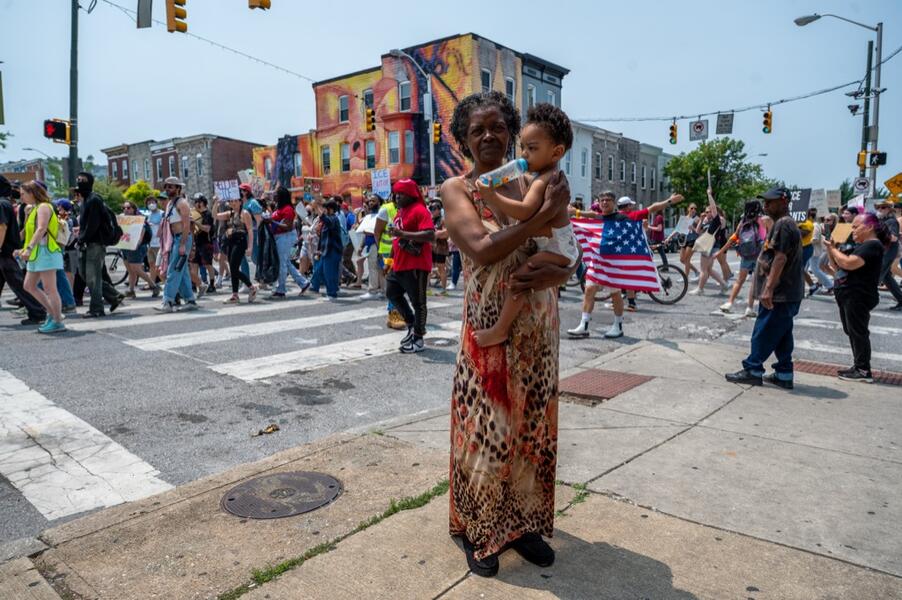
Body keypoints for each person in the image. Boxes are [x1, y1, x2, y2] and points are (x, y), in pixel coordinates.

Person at [442, 90, 574, 577]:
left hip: (538, 324)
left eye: (497, 126)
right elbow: (482, 249)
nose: (488, 136)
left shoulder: (533, 180)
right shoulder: (457, 189)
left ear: (513, 132)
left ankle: (521, 525)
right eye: (477, 129)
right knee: (485, 429)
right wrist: (538, 218)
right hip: (488, 325)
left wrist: (557, 272)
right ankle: (478, 530)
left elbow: (564, 251)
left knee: (530, 429)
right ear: (463, 140)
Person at [473, 102, 579, 347]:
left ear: (556, 152)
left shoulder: (545, 180)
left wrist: (492, 197)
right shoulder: (542, 177)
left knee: (520, 279)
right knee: (524, 277)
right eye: (522, 147)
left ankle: (500, 329)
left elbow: (526, 211)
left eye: (532, 148)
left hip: (556, 248)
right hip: (559, 245)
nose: (523, 155)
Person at [567, 190, 682, 338]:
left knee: (615, 294)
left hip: (613, 266)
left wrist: (669, 201)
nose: (604, 202)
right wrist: (575, 212)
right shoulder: (599, 217)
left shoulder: (625, 218)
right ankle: (584, 325)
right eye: (601, 200)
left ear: (614, 203)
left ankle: (618, 325)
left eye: (608, 200)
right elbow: (590, 215)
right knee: (589, 290)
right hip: (597, 264)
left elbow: (651, 208)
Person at [726, 187, 804, 389]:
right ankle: (784, 373)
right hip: (786, 293)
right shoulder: (783, 224)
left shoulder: (784, 225)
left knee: (764, 331)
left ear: (784, 202)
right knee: (782, 334)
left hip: (780, 294)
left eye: (770, 202)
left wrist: (768, 288)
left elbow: (780, 258)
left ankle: (753, 369)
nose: (765, 205)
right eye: (765, 202)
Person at [824, 212, 889, 383]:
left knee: (858, 332)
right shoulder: (862, 245)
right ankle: (858, 365)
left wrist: (833, 250)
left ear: (869, 227)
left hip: (858, 294)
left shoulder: (872, 245)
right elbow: (836, 265)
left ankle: (863, 370)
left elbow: (848, 263)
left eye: (855, 226)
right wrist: (831, 248)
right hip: (849, 294)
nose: (852, 230)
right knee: (851, 331)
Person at [385, 179, 436, 353]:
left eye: (401, 193)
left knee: (419, 302)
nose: (397, 196)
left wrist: (402, 233)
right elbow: (396, 239)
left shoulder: (420, 210)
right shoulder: (400, 212)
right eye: (396, 193)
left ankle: (419, 338)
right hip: (399, 264)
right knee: (391, 293)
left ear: (410, 195)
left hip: (416, 264)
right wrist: (390, 261)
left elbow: (430, 235)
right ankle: (412, 325)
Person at [15, 181, 66, 333]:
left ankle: (57, 320)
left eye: (23, 194)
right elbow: (29, 232)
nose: (21, 197)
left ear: (32, 192)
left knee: (50, 289)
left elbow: (41, 229)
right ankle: (54, 314)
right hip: (39, 252)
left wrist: (28, 249)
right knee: (29, 286)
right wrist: (22, 249)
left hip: (46, 252)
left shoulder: (44, 206)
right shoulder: (35, 208)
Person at [0, 176, 48, 326]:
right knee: (17, 282)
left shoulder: (1, 204)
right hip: (6, 251)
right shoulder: (5, 203)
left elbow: (2, 227)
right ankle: (38, 311)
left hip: (5, 251)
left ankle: (38, 312)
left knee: (20, 284)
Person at [76, 171, 123, 318]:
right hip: (88, 243)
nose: (79, 182)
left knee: (93, 277)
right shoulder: (86, 201)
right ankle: (114, 295)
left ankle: (96, 308)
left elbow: (93, 225)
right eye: (78, 180)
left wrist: (82, 239)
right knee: (86, 275)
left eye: (83, 180)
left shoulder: (93, 200)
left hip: (95, 244)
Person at [715, 200, 771, 316]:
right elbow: (771, 237)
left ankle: (729, 303)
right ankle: (749, 308)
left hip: (746, 255)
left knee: (739, 280)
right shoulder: (765, 220)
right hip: (760, 255)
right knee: (754, 282)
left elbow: (733, 238)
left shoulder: (743, 221)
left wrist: (721, 251)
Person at [155, 176, 199, 313]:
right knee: (182, 271)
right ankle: (190, 300)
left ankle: (167, 301)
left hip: (182, 239)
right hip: (175, 239)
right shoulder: (170, 203)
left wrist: (183, 244)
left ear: (178, 189)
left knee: (173, 270)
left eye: (171, 186)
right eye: (166, 186)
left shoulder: (182, 203)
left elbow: (187, 225)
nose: (168, 189)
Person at [268, 186, 310, 298]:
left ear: (281, 196)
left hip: (285, 237)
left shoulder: (288, 209)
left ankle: (281, 290)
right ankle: (303, 283)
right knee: (286, 262)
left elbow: (287, 226)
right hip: (280, 237)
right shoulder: (279, 208)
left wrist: (272, 221)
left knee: (282, 263)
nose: (274, 195)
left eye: (276, 194)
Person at [215, 194, 257, 304]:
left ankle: (251, 287)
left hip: (240, 242)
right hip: (231, 242)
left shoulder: (245, 213)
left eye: (235, 201)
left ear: (240, 201)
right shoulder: (231, 213)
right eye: (231, 201)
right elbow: (215, 215)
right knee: (233, 268)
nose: (233, 203)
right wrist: (216, 203)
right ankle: (235, 295)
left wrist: (250, 247)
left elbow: (250, 231)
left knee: (233, 268)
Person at [373, 194, 406, 328]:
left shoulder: (408, 208)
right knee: (394, 282)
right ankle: (393, 313)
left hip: (404, 251)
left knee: (402, 283)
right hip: (388, 253)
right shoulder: (386, 209)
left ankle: (398, 311)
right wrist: (381, 252)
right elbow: (377, 232)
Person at [688, 189, 728, 295]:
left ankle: (700, 289)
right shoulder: (707, 221)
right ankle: (724, 284)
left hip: (710, 246)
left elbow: (714, 207)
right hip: (709, 246)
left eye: (709, 211)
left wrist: (709, 194)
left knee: (703, 269)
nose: (707, 213)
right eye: (706, 212)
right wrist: (701, 220)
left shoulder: (717, 220)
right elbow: (697, 232)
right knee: (709, 269)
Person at [120, 201, 158, 298]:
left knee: (137, 269)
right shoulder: (122, 219)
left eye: (128, 208)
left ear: (133, 209)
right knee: (130, 270)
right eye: (124, 208)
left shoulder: (139, 219)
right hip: (125, 247)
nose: (125, 210)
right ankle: (131, 290)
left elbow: (142, 232)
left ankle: (153, 286)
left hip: (136, 247)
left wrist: (138, 243)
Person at [308, 198, 343, 300]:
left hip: (332, 251)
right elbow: (324, 237)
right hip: (326, 251)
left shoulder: (333, 219)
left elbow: (326, 220)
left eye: (325, 208)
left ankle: (332, 293)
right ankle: (315, 286)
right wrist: (320, 250)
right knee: (320, 270)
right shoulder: (330, 219)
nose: (324, 210)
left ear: (330, 209)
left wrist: (316, 207)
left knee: (330, 273)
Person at [874, 200, 902, 311]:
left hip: (889, 251)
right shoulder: (883, 221)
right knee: (886, 278)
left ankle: (862, 298)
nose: (880, 209)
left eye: (883, 207)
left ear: (889, 209)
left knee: (876, 275)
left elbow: (894, 237)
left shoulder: (891, 221)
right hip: (885, 251)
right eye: (878, 207)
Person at [188, 193, 215, 298]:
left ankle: (212, 284)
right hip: (197, 243)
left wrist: (196, 223)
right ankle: (194, 284)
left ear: (201, 203)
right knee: (194, 264)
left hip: (206, 243)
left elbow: (207, 228)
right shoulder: (195, 213)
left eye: (196, 202)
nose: (194, 204)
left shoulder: (207, 214)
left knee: (208, 264)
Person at [358, 195, 384, 300]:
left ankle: (374, 291)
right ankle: (380, 290)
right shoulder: (369, 216)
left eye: (373, 201)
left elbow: (377, 232)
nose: (370, 203)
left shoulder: (380, 215)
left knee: (377, 268)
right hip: (370, 245)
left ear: (379, 203)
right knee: (374, 268)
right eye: (369, 201)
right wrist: (361, 246)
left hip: (376, 245)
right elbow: (365, 232)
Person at [145, 191, 166, 287]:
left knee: (160, 267)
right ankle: (152, 285)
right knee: (151, 265)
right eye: (149, 203)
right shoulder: (148, 215)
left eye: (152, 202)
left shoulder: (162, 214)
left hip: (159, 244)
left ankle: (166, 283)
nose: (151, 204)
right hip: (150, 244)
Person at [430, 200, 450, 295]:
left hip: (441, 248)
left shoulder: (443, 220)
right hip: (432, 247)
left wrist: (436, 234)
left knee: (441, 268)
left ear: (439, 210)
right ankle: (427, 289)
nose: (432, 211)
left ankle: (443, 290)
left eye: (434, 209)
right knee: (429, 267)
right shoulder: (431, 220)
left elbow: (446, 234)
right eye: (431, 208)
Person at [679, 203, 701, 280]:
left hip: (692, 240)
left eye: (695, 209)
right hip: (684, 240)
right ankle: (696, 271)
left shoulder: (697, 219)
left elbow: (700, 232)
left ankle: (685, 277)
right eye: (692, 208)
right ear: (688, 209)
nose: (693, 210)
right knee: (682, 260)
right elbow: (679, 229)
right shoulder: (684, 218)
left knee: (687, 259)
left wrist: (693, 228)